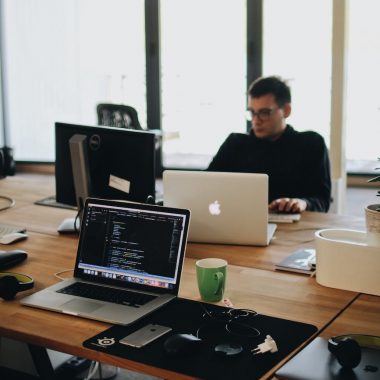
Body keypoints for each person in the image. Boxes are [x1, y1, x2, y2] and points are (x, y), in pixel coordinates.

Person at [207, 76, 331, 213]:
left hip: (294, 228)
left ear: (286, 110)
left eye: (264, 113)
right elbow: (205, 185)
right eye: (252, 113)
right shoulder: (235, 143)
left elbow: (322, 200)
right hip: (239, 223)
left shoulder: (311, 144)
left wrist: (302, 203)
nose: (256, 120)